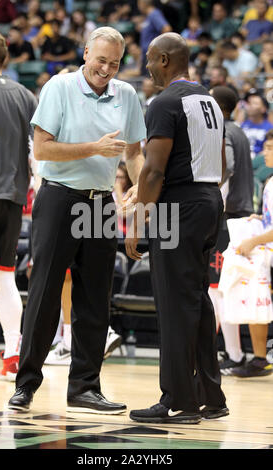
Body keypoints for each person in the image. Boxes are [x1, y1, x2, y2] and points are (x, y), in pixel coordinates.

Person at [8, 26, 146, 414]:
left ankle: (85, 387)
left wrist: (141, 186)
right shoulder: (59, 88)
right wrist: (96, 148)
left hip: (101, 203)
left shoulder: (128, 95)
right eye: (101, 60)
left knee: (95, 298)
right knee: (45, 293)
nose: (106, 69)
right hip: (58, 198)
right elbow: (43, 149)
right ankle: (26, 384)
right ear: (86, 53)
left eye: (115, 63)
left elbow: (133, 152)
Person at [125, 32, 228, 424]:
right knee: (197, 302)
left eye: (150, 59)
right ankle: (211, 397)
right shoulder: (211, 101)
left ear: (165, 60)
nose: (147, 66)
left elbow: (153, 169)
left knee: (173, 303)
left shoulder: (164, 102)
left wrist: (138, 220)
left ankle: (179, 401)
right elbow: (219, 165)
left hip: (180, 207)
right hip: (207, 202)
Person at [0, 32, 37, 380]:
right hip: (13, 197)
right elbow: (37, 152)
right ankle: (13, 356)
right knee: (4, 278)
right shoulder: (25, 95)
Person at [208, 86, 254, 376]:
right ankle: (233, 353)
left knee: (219, 289)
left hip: (228, 218)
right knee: (226, 289)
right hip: (241, 216)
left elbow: (227, 168)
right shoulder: (239, 130)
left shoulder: (223, 131)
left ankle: (234, 354)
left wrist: (212, 203)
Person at [219, 130, 273, 378]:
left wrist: (253, 240)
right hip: (267, 253)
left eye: (271, 148)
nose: (266, 153)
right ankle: (260, 359)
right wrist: (261, 218)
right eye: (266, 147)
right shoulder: (269, 182)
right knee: (257, 302)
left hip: (264, 247)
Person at [137, 0, 172, 75]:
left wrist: (158, 50)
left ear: (142, 3)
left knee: (151, 83)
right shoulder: (148, 16)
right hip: (146, 56)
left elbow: (167, 29)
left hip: (153, 56)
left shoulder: (154, 14)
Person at [241, 92, 273, 159]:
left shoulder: (269, 128)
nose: (250, 106)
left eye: (255, 103)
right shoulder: (243, 125)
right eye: (249, 103)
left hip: (259, 161)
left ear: (263, 109)